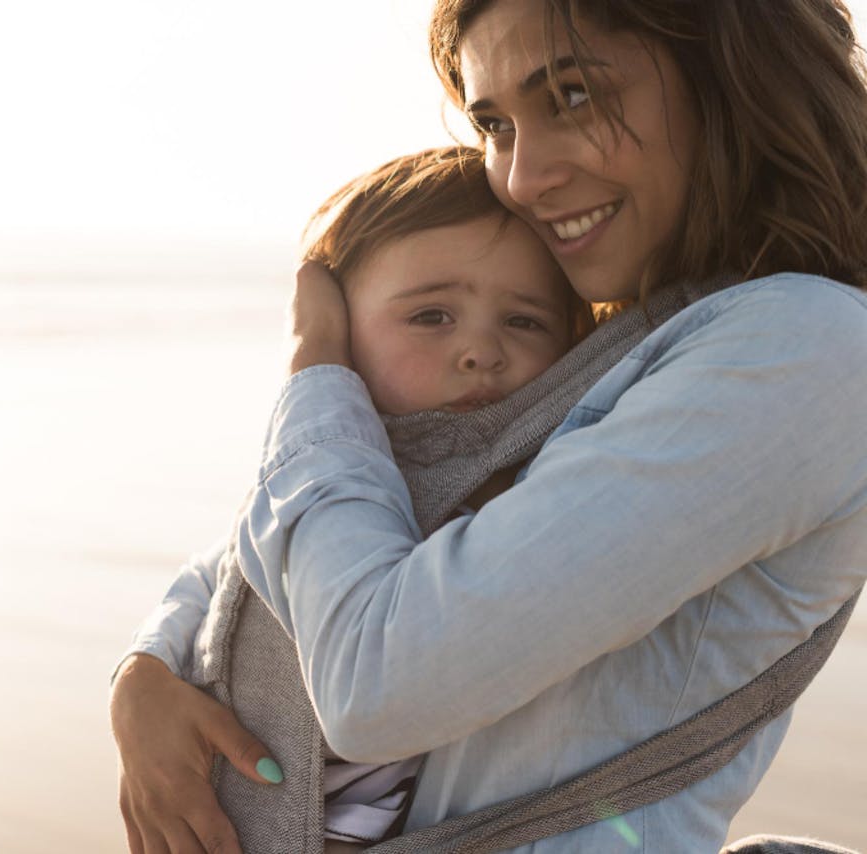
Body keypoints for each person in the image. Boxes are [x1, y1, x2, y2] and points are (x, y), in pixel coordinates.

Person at [110, 1, 867, 852]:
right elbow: (265, 548)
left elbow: (375, 682)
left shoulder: (804, 346)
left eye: (574, 95)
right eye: (496, 123)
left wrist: (317, 366)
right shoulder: (639, 347)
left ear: (730, 78)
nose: (520, 175)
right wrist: (146, 668)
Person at [129, 145, 591, 852]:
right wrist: (144, 671)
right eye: (432, 316)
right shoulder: (330, 471)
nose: (480, 351)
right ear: (344, 329)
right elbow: (223, 569)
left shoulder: (529, 496)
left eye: (523, 322)